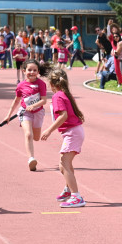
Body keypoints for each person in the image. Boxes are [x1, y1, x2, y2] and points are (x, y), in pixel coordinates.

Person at [41, 68, 86, 208]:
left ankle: (76, 197)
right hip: (73, 132)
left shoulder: (57, 96)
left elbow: (63, 115)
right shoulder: (64, 94)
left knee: (63, 163)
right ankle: (68, 190)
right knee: (66, 164)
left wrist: (48, 130)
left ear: (51, 83)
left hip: (72, 132)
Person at [2, 59, 50, 171]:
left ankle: (32, 146)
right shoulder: (21, 85)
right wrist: (8, 115)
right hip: (25, 112)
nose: (32, 72)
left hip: (38, 112)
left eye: (34, 70)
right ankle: (31, 159)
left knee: (36, 138)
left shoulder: (41, 84)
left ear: (38, 72)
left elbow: (44, 100)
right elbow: (16, 101)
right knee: (28, 134)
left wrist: (34, 106)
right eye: (29, 70)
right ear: (24, 71)